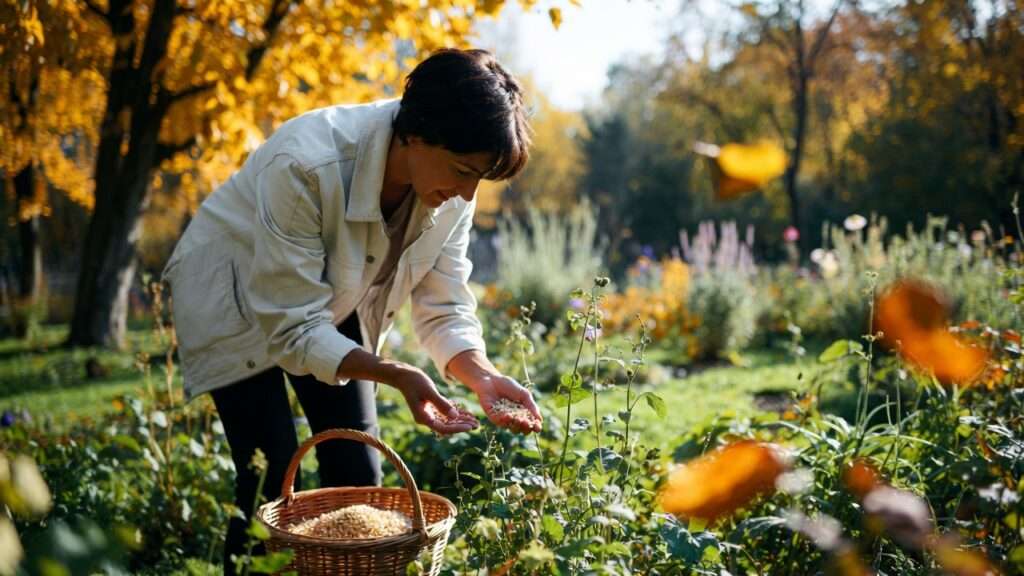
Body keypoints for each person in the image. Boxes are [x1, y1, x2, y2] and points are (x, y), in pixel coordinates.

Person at [161, 48, 542, 574]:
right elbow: (291, 326)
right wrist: (394, 373)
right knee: (269, 474)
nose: (466, 192)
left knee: (360, 477)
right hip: (232, 298)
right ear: (416, 133)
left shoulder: (451, 185)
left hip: (324, 295)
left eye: (479, 177)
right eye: (461, 171)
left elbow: (444, 301)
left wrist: (481, 376)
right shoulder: (305, 161)